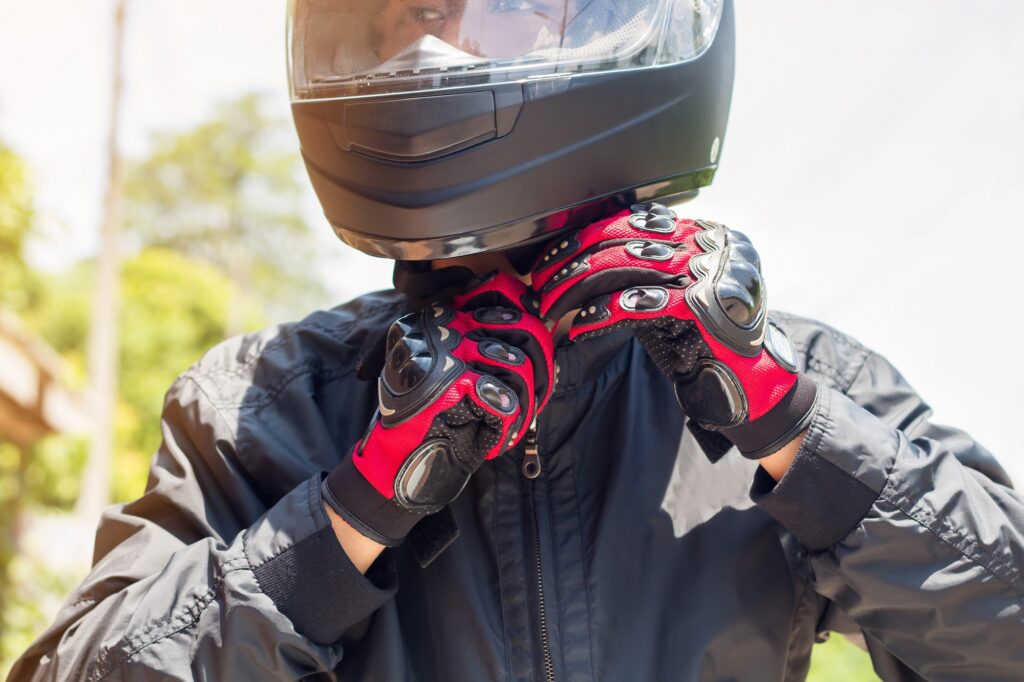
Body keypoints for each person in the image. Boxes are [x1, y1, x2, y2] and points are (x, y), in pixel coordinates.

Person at [12, 1, 1024, 680]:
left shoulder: (798, 376)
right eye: (404, 23)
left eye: (480, 16)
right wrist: (350, 513)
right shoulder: (265, 400)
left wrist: (787, 418)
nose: (431, 52)